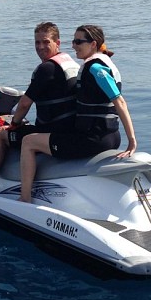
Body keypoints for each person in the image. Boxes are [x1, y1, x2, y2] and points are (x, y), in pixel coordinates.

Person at [17, 24, 137, 203]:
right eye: (73, 41)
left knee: (28, 142)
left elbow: (119, 101)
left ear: (93, 44)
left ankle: (24, 198)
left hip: (93, 139)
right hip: (110, 135)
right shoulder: (101, 63)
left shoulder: (96, 69)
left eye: (79, 41)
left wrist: (132, 141)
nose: (73, 45)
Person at [0, 22, 80, 192]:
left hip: (52, 132)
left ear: (57, 43)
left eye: (46, 42)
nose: (40, 47)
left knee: (0, 133)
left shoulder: (47, 68)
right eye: (37, 42)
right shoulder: (71, 63)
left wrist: (14, 123)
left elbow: (24, 103)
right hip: (70, 128)